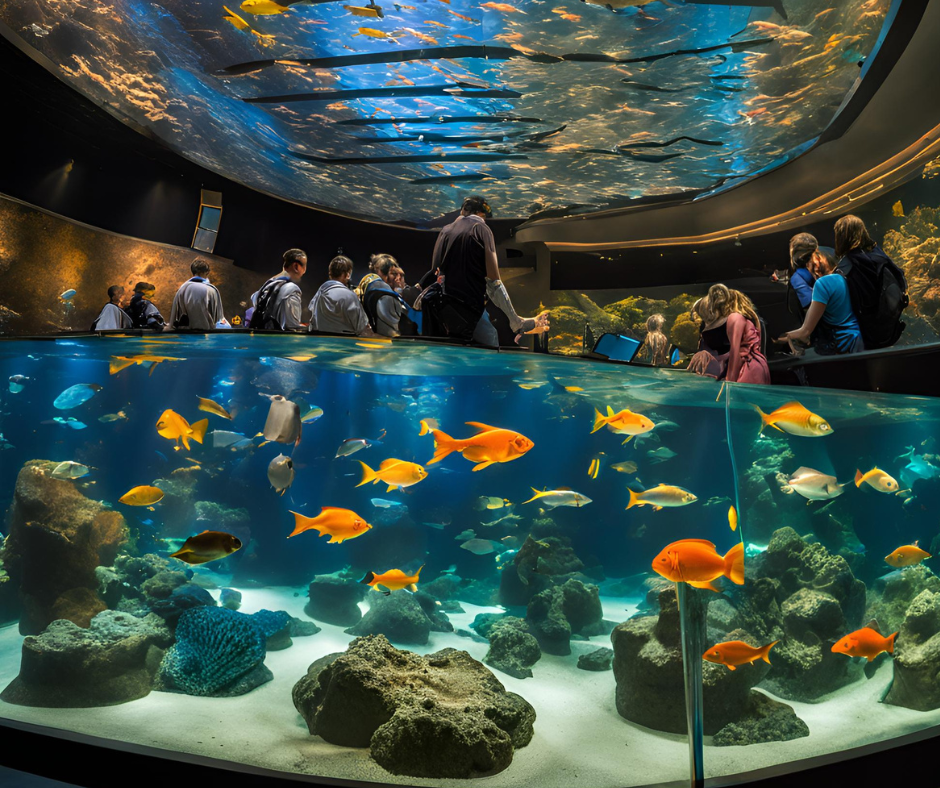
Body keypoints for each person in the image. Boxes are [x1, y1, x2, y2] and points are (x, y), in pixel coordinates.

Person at [422, 195, 548, 345]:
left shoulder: (445, 231)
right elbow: (493, 279)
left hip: (442, 306)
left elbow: (434, 271)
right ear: (482, 214)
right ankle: (515, 324)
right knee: (489, 344)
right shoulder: (481, 228)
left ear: (462, 210)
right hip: (469, 307)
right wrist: (515, 320)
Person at [782, 249, 864, 355]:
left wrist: (778, 337)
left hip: (843, 344)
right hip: (859, 338)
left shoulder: (823, 283)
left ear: (819, 260)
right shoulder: (844, 276)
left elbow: (805, 331)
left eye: (809, 263)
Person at [703, 284, 770, 384]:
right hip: (759, 366)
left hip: (747, 369)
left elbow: (735, 351)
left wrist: (730, 381)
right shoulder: (751, 320)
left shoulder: (734, 317)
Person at [308, 255, 373, 336]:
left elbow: (312, 321)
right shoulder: (350, 296)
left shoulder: (319, 293)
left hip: (321, 342)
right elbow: (361, 328)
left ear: (330, 274)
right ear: (348, 275)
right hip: (344, 343)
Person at [249, 248, 306, 330]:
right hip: (278, 340)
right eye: (304, 267)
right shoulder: (292, 289)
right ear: (296, 266)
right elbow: (292, 326)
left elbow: (254, 298)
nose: (304, 271)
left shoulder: (265, 286)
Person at [363, 254, 411, 337]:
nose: (397, 278)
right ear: (380, 272)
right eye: (393, 273)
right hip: (388, 344)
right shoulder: (386, 296)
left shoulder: (368, 288)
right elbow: (395, 331)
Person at [169, 258, 224, 330]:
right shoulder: (211, 290)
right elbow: (218, 318)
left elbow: (176, 315)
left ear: (192, 272)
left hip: (184, 334)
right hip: (206, 334)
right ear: (207, 272)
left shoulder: (182, 288)